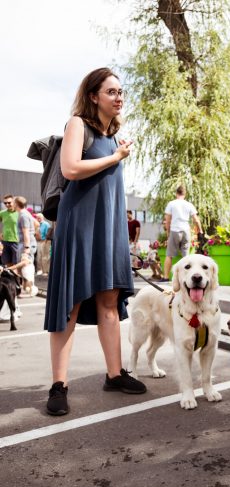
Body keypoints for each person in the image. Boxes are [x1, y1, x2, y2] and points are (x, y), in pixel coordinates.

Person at [44, 67, 146, 417]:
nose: (119, 98)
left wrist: (117, 153)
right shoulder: (78, 125)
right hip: (79, 226)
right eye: (112, 92)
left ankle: (114, 374)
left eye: (121, 92)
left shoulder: (115, 138)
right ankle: (59, 385)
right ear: (93, 96)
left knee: (109, 300)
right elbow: (71, 169)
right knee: (70, 304)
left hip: (109, 228)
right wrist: (115, 158)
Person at [161, 185, 203, 281]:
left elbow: (167, 220)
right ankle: (187, 278)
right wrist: (200, 230)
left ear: (176, 193)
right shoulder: (189, 204)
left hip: (175, 230)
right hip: (186, 231)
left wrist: (168, 234)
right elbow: (196, 220)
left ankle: (166, 277)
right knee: (186, 256)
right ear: (185, 194)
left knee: (169, 255)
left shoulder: (171, 204)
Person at [14, 196, 37, 263]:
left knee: (25, 269)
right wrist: (32, 232)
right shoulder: (26, 213)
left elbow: (26, 232)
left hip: (25, 245)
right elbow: (37, 224)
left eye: (13, 202)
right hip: (27, 243)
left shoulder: (23, 215)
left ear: (16, 204)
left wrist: (27, 247)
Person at [0, 194, 20, 266]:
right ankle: (10, 277)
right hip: (5, 241)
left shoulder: (19, 213)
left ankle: (17, 277)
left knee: (17, 263)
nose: (7, 204)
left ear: (13, 202)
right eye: (5, 203)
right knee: (7, 262)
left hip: (16, 241)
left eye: (9, 202)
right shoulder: (2, 213)